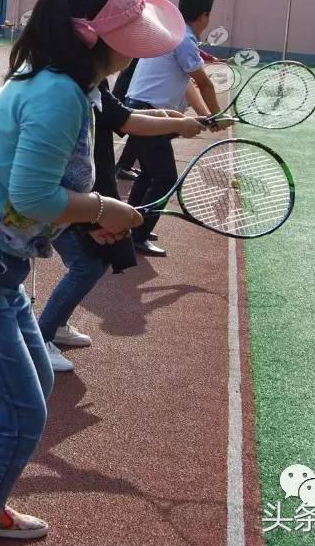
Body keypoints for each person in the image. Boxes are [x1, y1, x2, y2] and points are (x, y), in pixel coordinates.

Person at [0, 0, 183, 544]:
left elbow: (30, 195)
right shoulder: (58, 93)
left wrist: (88, 218)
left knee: (34, 384)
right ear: (98, 39)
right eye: (130, 35)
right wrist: (104, 208)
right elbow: (31, 196)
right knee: (16, 419)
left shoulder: (67, 86)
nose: (136, 50)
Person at [40, 67, 207, 373]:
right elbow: (126, 121)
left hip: (79, 192)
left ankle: (50, 328)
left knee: (91, 263)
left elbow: (120, 115)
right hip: (67, 194)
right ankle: (41, 337)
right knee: (85, 265)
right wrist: (177, 123)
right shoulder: (74, 81)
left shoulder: (89, 80)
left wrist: (169, 117)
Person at [123, 0, 228, 257]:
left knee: (149, 173)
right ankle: (138, 235)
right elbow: (205, 84)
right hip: (150, 112)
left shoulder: (171, 34)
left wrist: (209, 117)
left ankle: (132, 226)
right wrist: (216, 117)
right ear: (204, 16)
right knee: (165, 178)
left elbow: (189, 85)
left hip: (138, 109)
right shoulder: (184, 40)